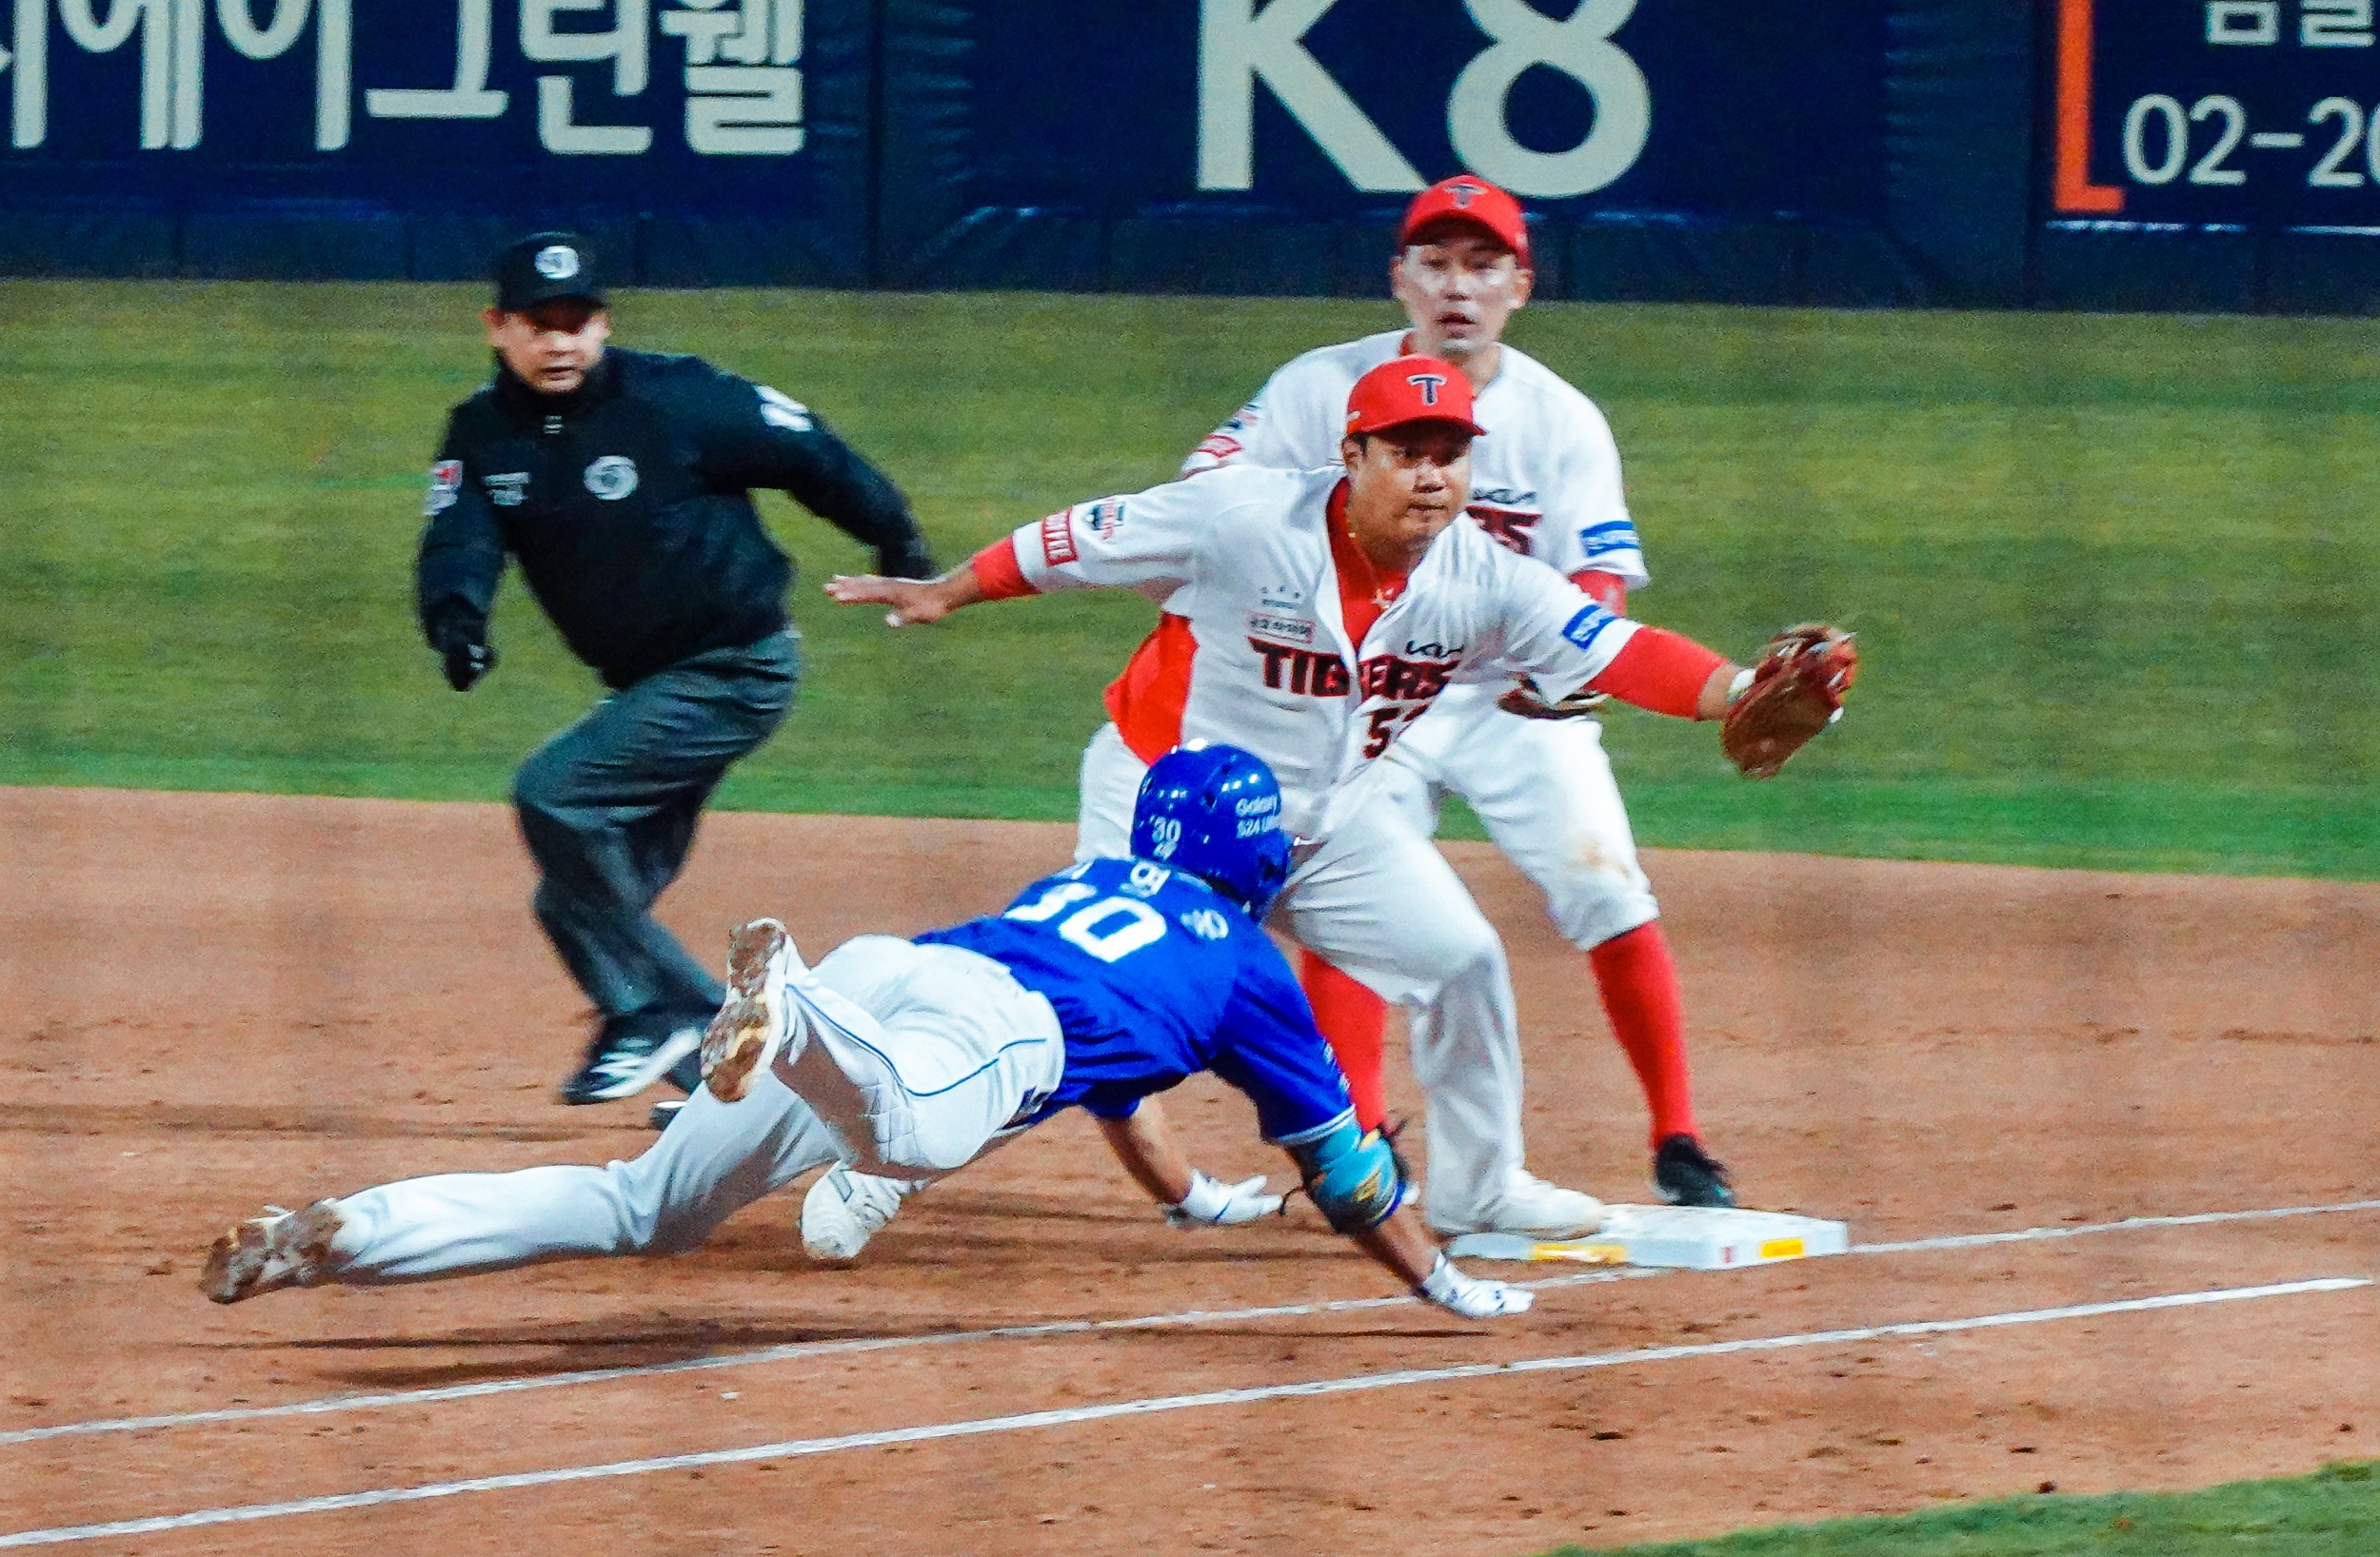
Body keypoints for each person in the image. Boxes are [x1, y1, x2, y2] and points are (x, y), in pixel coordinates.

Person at [824, 356, 1831, 1251]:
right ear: (1352, 456)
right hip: (1165, 808)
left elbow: (1618, 649)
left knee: (1463, 962)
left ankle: (1481, 1190)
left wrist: (1743, 690)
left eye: (1450, 455)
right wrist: (946, 591)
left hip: (1325, 822)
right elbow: (1073, 540)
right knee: (1091, 1011)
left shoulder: (1486, 577)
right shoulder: (1241, 517)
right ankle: (887, 1160)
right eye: (1406, 452)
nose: (1431, 476)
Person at [199, 746, 1536, 1325]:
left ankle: (343, 1235)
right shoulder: (1249, 966)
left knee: (644, 1208)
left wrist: (1188, 1198)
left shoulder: (1084, 883)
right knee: (912, 1133)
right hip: (965, 1033)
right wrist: (1441, 1280)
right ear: (1253, 858)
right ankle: (783, 1005)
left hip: (899, 969)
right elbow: (1345, 1172)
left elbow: (1129, 1097)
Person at [1170, 174, 1735, 1207]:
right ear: (1400, 278)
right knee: (1355, 893)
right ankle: (1356, 1140)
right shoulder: (1317, 388)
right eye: (1434, 264)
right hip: (1369, 689)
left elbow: (1598, 574)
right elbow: (1204, 491)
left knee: (1606, 887)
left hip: (1511, 700)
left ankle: (1679, 1137)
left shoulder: (1560, 419)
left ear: (1521, 285)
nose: (1457, 288)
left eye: (1482, 266)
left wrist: (1567, 665)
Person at [415, 230, 937, 1107]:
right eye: (538, 324)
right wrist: (456, 619)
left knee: (554, 793)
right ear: (497, 327)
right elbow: (459, 536)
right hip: (654, 686)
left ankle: (666, 1015)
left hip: (735, 669)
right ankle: (728, 1099)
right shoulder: (483, 432)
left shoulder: (678, 398)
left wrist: (896, 538)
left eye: (576, 321)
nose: (559, 342)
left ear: (603, 324)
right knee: (573, 901)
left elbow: (810, 452)